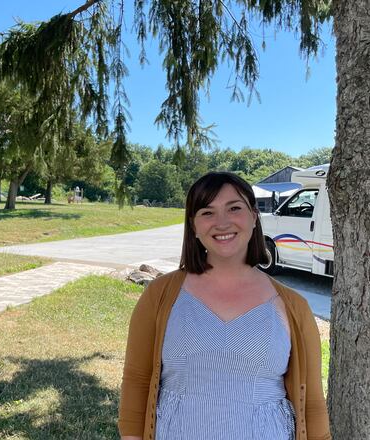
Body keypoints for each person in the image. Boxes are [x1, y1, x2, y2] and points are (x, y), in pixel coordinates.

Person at [118, 172, 330, 440]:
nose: (222, 222)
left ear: (254, 216)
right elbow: (137, 379)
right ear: (193, 226)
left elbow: (311, 401)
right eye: (207, 212)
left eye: (234, 208)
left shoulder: (293, 307)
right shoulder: (160, 296)